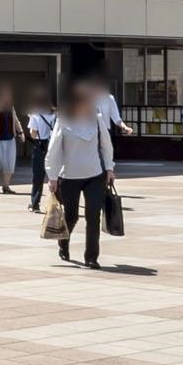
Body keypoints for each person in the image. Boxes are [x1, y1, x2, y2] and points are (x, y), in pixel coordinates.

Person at [44, 81, 117, 268]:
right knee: (72, 215)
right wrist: (52, 176)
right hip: (69, 176)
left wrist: (109, 168)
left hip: (94, 175)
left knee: (93, 215)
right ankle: (63, 243)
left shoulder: (97, 118)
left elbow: (105, 145)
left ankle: (91, 257)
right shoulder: (63, 120)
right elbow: (53, 150)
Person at [25, 84, 58, 212]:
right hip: (53, 145)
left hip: (40, 146)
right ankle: (57, 203)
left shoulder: (35, 115)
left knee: (38, 176)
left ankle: (35, 203)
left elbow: (33, 134)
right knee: (54, 175)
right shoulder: (54, 114)